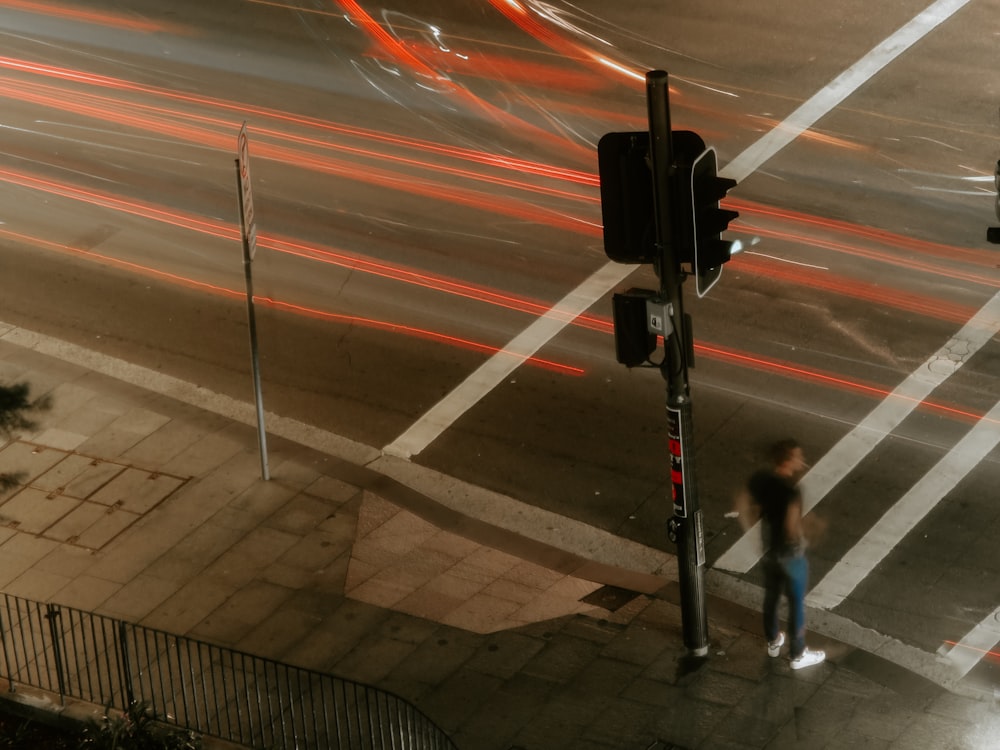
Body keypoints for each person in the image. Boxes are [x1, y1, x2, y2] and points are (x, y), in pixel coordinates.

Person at [736, 438, 825, 670]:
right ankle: (797, 655)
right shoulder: (792, 492)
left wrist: (751, 530)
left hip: (770, 552)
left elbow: (743, 501)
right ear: (788, 460)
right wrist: (803, 538)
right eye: (798, 456)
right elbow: (790, 528)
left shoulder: (762, 480)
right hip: (790, 556)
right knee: (796, 604)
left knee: (771, 598)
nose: (802, 460)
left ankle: (773, 642)